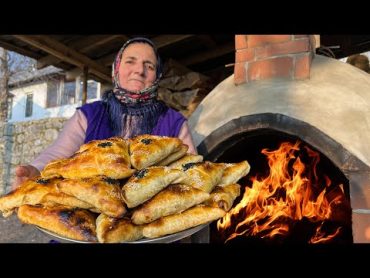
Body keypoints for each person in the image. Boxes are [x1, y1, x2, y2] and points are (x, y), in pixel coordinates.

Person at [12, 37, 197, 190]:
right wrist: (36, 170)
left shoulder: (174, 122)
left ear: (157, 76)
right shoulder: (89, 115)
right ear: (116, 69)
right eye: (130, 62)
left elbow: (191, 171)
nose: (139, 70)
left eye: (149, 66)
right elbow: (57, 154)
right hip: (86, 226)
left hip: (156, 225)